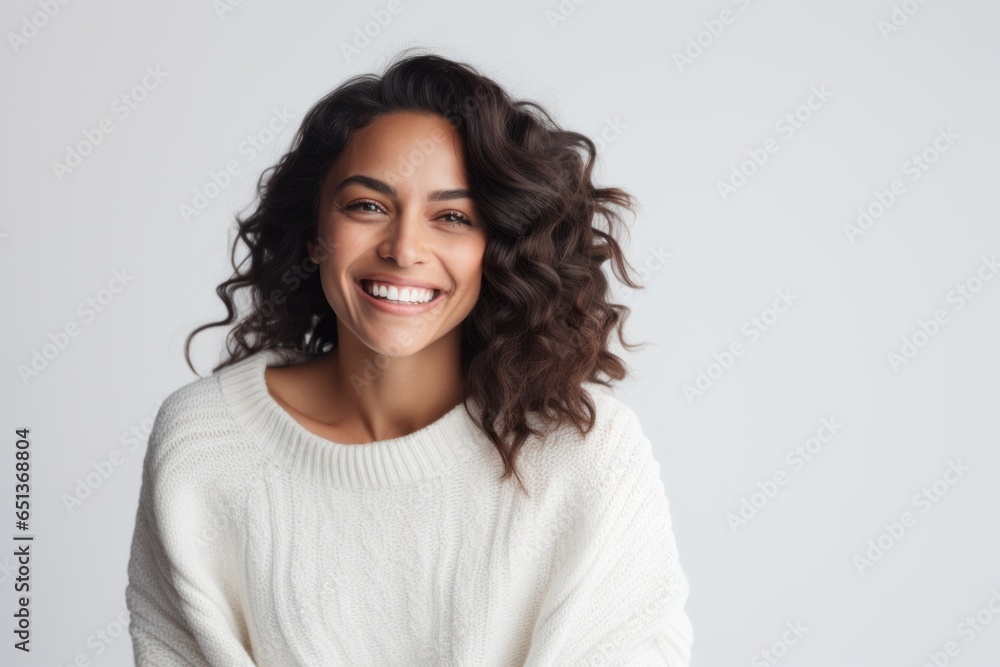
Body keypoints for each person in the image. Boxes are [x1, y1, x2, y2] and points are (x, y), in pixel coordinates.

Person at [125, 48, 693, 666]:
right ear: (317, 233)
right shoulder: (205, 443)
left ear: (496, 247)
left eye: (452, 217)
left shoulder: (584, 450)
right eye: (367, 206)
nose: (403, 248)